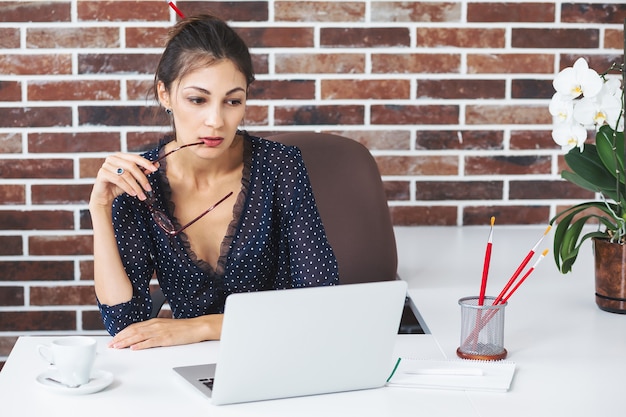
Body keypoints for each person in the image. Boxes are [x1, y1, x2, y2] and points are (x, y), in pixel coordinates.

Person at [89, 14, 338, 350]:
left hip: (278, 352)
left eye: (232, 101)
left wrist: (202, 327)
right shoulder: (139, 181)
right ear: (165, 93)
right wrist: (101, 208)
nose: (216, 121)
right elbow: (123, 322)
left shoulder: (281, 166)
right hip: (187, 366)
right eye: (198, 100)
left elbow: (321, 303)